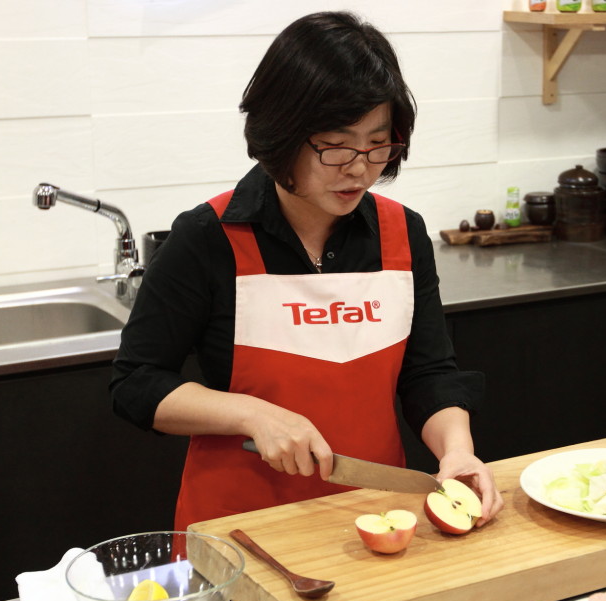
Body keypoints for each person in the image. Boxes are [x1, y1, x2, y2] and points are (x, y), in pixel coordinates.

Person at [110, 11, 503, 533]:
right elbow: (136, 383)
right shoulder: (210, 236)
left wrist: (457, 452)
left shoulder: (402, 234)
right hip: (241, 529)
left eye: (377, 142)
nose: (361, 167)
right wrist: (252, 415)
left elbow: (428, 373)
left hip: (376, 516)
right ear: (282, 135)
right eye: (336, 145)